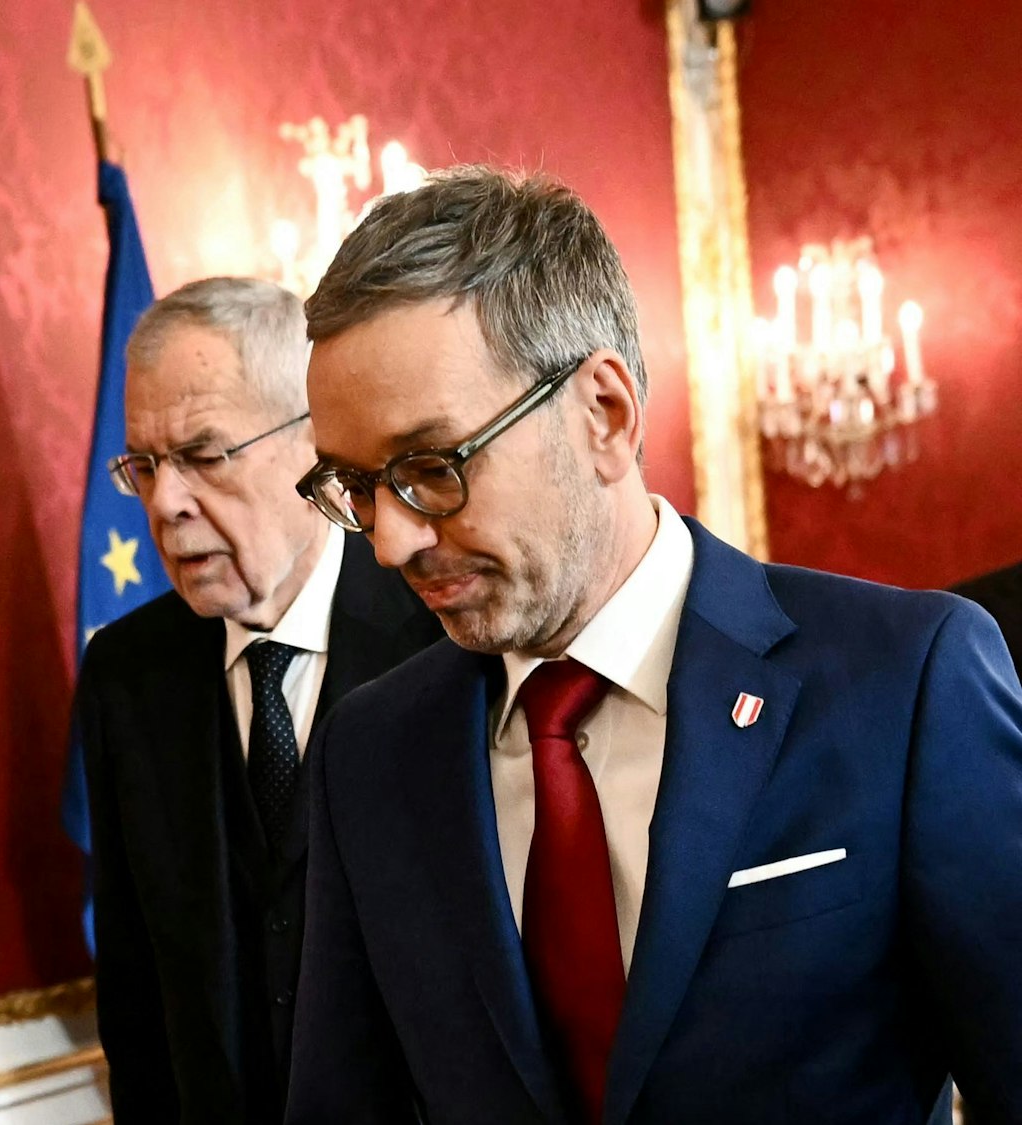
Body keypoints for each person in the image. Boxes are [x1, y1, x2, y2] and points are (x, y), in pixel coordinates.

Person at [285, 166, 1022, 1124]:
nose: (390, 540)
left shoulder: (903, 682)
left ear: (605, 414)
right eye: (357, 486)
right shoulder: (371, 754)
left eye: (430, 467)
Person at [74, 278, 443, 1123]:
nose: (165, 505)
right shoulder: (127, 678)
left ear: (311, 444)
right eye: (144, 466)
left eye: (204, 454)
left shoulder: (443, 636)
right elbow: (135, 998)